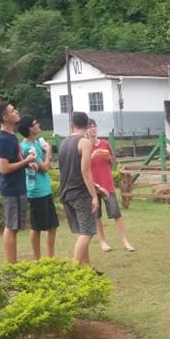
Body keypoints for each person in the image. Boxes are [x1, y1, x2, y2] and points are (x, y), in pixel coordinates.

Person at [0, 101, 37, 263]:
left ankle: (13, 263)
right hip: (11, 189)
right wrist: (26, 161)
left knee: (15, 227)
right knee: (11, 227)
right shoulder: (4, 139)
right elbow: (4, 168)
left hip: (18, 186)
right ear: (5, 117)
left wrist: (27, 164)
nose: (16, 112)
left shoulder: (11, 136)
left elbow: (15, 161)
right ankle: (12, 265)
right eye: (12, 111)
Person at [58, 112, 101, 268]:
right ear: (89, 125)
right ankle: (75, 270)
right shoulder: (84, 142)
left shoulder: (64, 142)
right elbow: (85, 171)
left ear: (72, 125)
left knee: (82, 232)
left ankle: (87, 268)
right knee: (87, 233)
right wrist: (94, 196)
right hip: (80, 194)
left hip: (65, 193)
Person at [16, 115, 59, 259]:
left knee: (53, 225)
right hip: (36, 191)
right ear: (30, 128)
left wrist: (46, 153)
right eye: (35, 123)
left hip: (45, 189)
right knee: (37, 227)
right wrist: (48, 152)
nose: (39, 124)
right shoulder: (27, 147)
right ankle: (37, 259)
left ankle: (50, 257)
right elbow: (44, 167)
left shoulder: (35, 144)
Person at [89, 122, 135, 253]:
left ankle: (125, 241)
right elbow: (83, 165)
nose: (93, 129)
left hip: (107, 184)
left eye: (94, 126)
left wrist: (109, 157)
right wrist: (92, 156)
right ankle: (103, 241)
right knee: (97, 216)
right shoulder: (85, 146)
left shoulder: (105, 144)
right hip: (93, 186)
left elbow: (112, 161)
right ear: (86, 130)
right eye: (90, 127)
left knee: (116, 214)